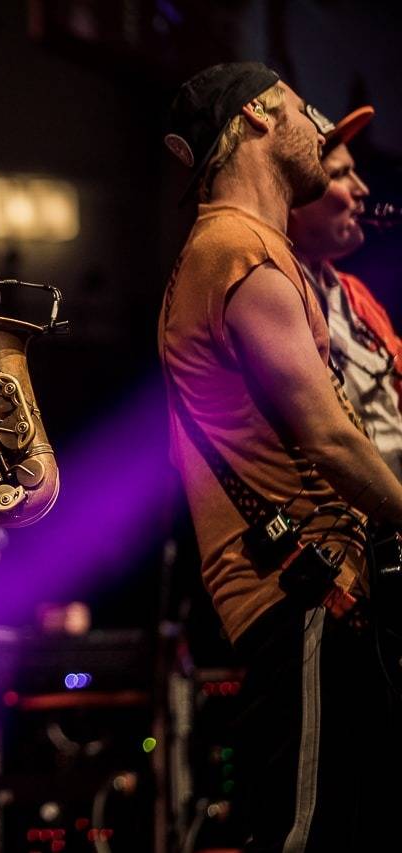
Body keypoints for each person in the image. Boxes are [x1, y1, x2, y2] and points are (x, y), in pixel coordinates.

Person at [159, 62, 402, 852]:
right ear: (260, 117)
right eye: (303, 110)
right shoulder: (237, 250)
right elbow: (329, 437)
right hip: (301, 593)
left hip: (319, 592)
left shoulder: (252, 247)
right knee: (305, 834)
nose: (318, 130)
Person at [288, 105, 402, 479]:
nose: (362, 189)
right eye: (339, 174)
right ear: (292, 200)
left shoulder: (354, 294)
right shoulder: (280, 303)